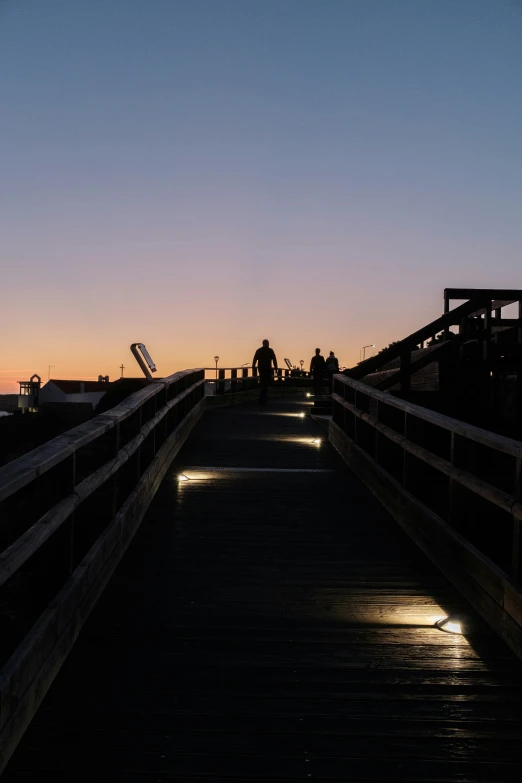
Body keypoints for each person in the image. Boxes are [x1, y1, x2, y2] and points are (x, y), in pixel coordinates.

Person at [252, 339, 278, 404]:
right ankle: (263, 397)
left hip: (261, 368)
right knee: (266, 383)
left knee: (263, 382)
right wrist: (276, 368)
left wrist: (253, 367)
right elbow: (274, 360)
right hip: (268, 369)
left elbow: (255, 359)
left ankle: (263, 397)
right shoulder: (270, 351)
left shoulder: (259, 350)